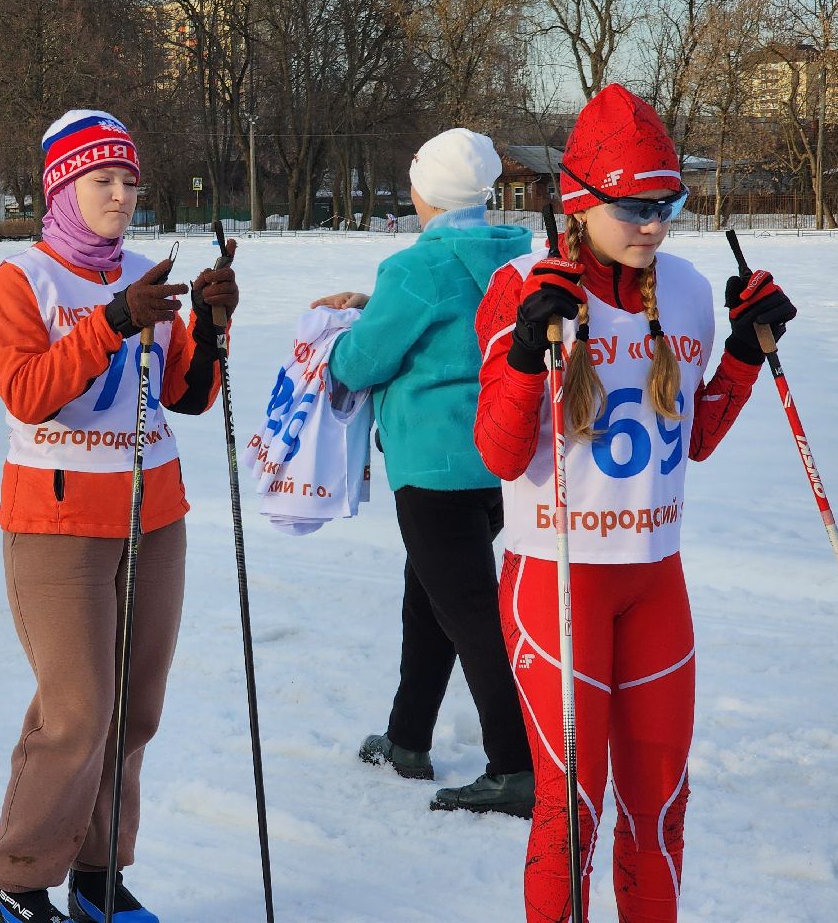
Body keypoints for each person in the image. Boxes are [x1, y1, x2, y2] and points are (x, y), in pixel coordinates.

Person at [473, 84, 796, 922]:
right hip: (557, 580)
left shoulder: (683, 290)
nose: (653, 223)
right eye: (634, 205)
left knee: (657, 811)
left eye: (668, 202)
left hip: (656, 582)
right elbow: (500, 453)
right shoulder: (521, 286)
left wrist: (744, 354)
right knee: (570, 811)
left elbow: (691, 440)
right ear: (581, 202)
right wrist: (520, 352)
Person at [0, 109, 238, 923]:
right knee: (78, 711)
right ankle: (18, 882)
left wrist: (211, 323)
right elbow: (28, 391)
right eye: (101, 181)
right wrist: (115, 320)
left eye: (128, 181)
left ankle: (97, 874)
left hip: (155, 515)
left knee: (135, 709)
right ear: (61, 188)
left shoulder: (143, 276)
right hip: (56, 526)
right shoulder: (22, 280)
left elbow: (186, 397)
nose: (120, 195)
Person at [311, 129, 536, 817]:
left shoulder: (413, 269)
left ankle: (518, 765)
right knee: (432, 598)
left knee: (469, 614)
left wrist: (344, 334)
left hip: (431, 470)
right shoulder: (515, 259)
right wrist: (370, 308)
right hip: (500, 465)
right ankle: (408, 736)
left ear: (425, 193)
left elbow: (359, 365)